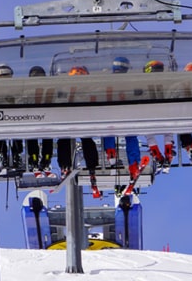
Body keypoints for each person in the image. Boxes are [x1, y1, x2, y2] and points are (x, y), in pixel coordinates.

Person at [56, 65, 101, 197]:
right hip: (73, 115)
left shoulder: (85, 88)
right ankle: (87, 167)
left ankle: (67, 165)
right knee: (77, 139)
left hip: (77, 115)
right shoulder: (69, 88)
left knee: (71, 139)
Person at [108, 56, 143, 182]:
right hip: (126, 112)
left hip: (110, 111)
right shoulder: (130, 80)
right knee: (131, 136)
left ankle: (111, 154)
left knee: (109, 131)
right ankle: (133, 164)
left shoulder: (107, 79)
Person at [142, 59, 175, 166]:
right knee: (168, 129)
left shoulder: (144, 82)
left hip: (148, 110)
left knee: (147, 132)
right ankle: (168, 152)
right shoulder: (166, 80)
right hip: (165, 109)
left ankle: (156, 154)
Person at [0, 64, 24, 174]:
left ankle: (10, 155)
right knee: (10, 134)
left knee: (8, 134)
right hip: (5, 115)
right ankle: (12, 155)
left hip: (4, 115)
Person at [25, 65, 55, 176]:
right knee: (47, 137)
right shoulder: (48, 87)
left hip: (32, 116)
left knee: (32, 136)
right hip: (45, 116)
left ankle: (35, 159)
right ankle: (44, 158)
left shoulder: (27, 88)